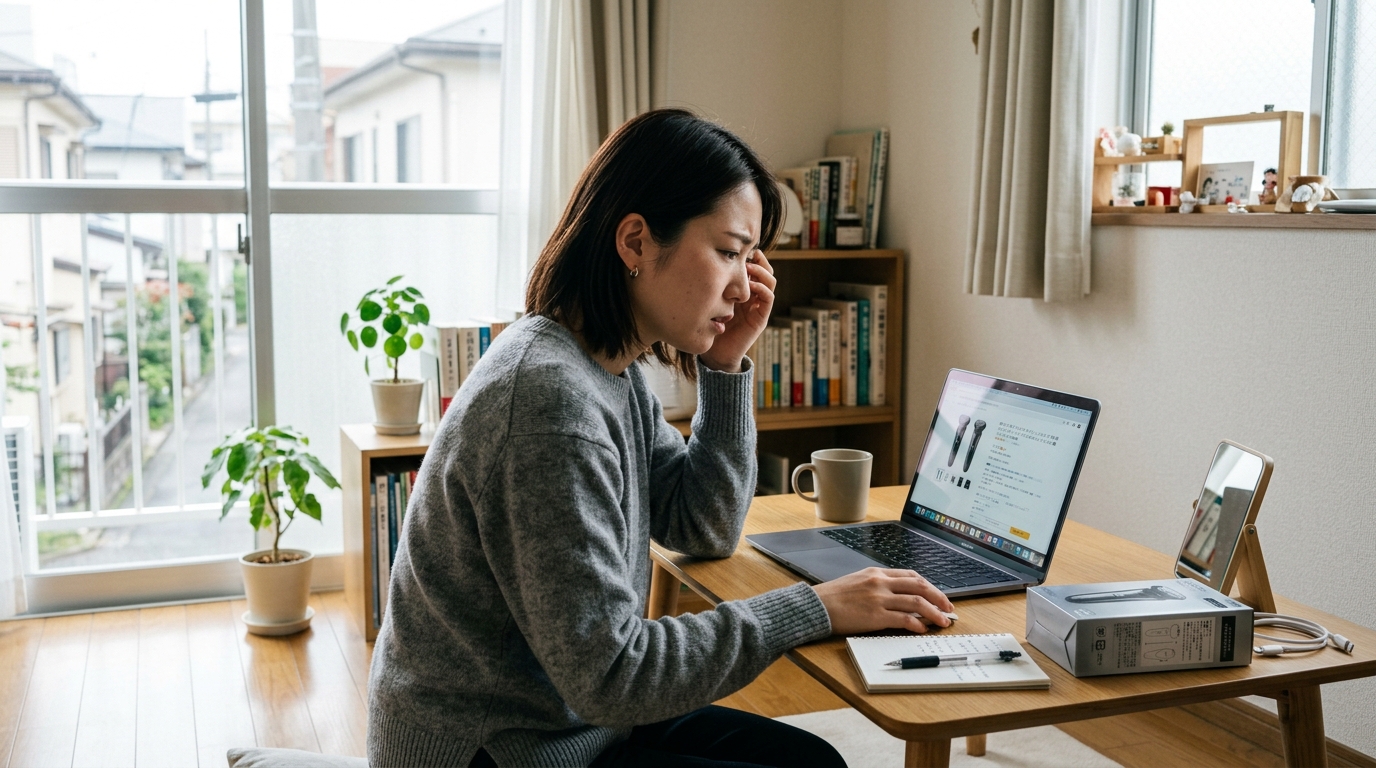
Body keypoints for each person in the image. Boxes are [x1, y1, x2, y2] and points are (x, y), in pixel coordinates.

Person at [367, 108, 954, 768]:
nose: (746, 284)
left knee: (811, 762)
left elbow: (701, 525)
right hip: (498, 749)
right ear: (637, 242)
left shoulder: (606, 369)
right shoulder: (547, 402)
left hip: (572, 718)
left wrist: (725, 367)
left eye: (751, 258)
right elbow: (614, 676)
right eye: (729, 251)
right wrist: (813, 609)